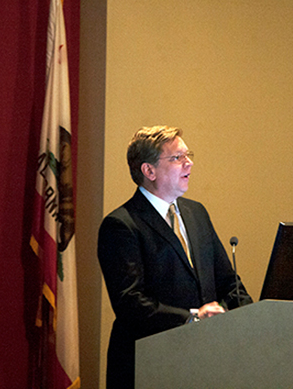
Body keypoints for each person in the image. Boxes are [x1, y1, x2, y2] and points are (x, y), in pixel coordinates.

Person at [98, 125, 252, 388]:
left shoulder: (197, 213)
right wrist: (192, 318)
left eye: (188, 154)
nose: (188, 162)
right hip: (149, 365)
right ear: (149, 170)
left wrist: (250, 317)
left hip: (205, 363)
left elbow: (228, 282)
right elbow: (129, 302)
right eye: (177, 158)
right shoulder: (122, 225)